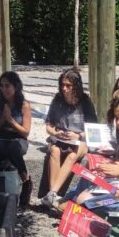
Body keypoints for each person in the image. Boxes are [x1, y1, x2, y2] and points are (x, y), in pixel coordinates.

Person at [39, 68, 98, 209]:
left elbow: (94, 129)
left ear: (76, 86)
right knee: (54, 150)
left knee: (72, 155)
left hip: (80, 139)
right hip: (60, 138)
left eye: (68, 86)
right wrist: (55, 132)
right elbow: (48, 125)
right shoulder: (57, 100)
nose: (64, 89)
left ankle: (52, 193)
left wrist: (78, 135)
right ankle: (54, 195)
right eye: (62, 85)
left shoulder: (85, 102)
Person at [0, 71, 33, 204]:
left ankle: (25, 180)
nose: (4, 89)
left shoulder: (24, 105)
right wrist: (2, 118)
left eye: (7, 86)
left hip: (18, 139)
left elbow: (25, 132)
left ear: (16, 86)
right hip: (1, 137)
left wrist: (11, 120)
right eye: (2, 86)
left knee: (13, 148)